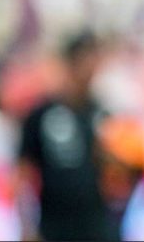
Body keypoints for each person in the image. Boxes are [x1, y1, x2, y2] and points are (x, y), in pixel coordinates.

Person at [17, 30, 118, 241]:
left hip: (95, 227)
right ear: (70, 63)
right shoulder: (41, 114)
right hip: (54, 228)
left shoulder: (102, 114)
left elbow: (114, 176)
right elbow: (23, 174)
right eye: (85, 60)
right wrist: (26, 225)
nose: (90, 69)